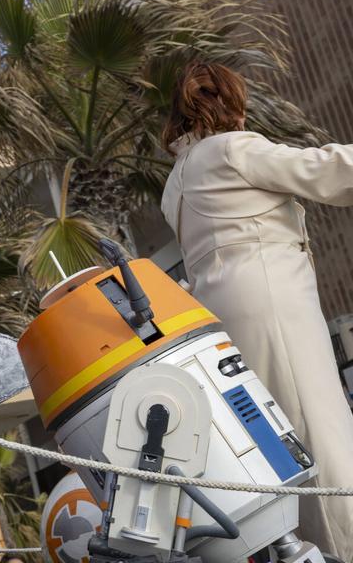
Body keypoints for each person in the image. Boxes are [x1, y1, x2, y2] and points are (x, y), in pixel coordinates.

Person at [160, 61, 353, 557]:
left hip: (224, 319)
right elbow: (323, 170)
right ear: (230, 103)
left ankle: (306, 549)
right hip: (273, 300)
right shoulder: (231, 149)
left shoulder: (175, 183)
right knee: (319, 430)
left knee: (280, 444)